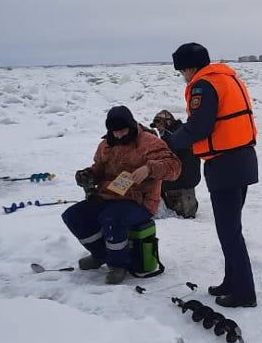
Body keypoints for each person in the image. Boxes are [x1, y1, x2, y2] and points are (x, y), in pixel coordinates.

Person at [168, 43, 259, 307]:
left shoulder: (203, 85)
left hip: (225, 163)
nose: (182, 76)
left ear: (189, 67)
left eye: (181, 70)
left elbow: (200, 126)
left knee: (229, 232)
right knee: (229, 229)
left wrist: (171, 141)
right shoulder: (225, 78)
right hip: (241, 159)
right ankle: (232, 281)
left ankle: (244, 293)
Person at [62, 106, 181, 284]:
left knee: (112, 218)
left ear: (131, 126)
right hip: (109, 196)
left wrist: (149, 168)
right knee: (73, 216)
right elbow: (98, 169)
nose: (118, 135)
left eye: (122, 130)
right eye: (114, 131)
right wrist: (88, 175)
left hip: (140, 201)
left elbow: (174, 167)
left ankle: (118, 264)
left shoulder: (149, 142)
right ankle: (100, 254)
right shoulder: (106, 145)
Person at [150, 110, 200, 219]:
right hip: (191, 178)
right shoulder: (183, 132)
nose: (158, 129)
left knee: (153, 177)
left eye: (159, 125)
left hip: (181, 179)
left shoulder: (170, 138)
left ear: (167, 122)